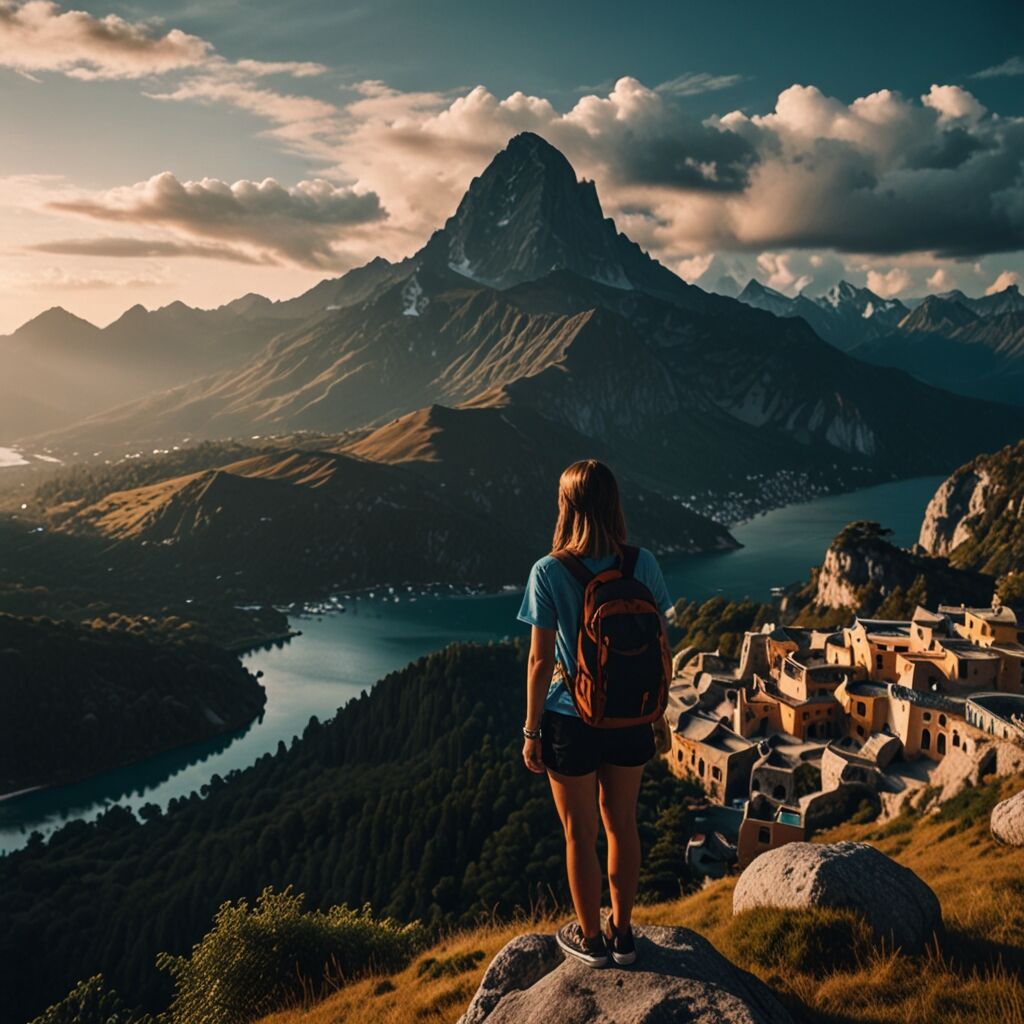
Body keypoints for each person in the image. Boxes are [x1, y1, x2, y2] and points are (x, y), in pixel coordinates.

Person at [517, 459, 674, 968]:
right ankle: (624, 935)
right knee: (621, 826)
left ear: (567, 506)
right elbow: (660, 649)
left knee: (578, 834)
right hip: (632, 715)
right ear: (614, 503)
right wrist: (658, 714)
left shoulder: (548, 570)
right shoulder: (641, 562)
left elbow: (541, 661)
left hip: (571, 718)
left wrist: (531, 730)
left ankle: (591, 941)